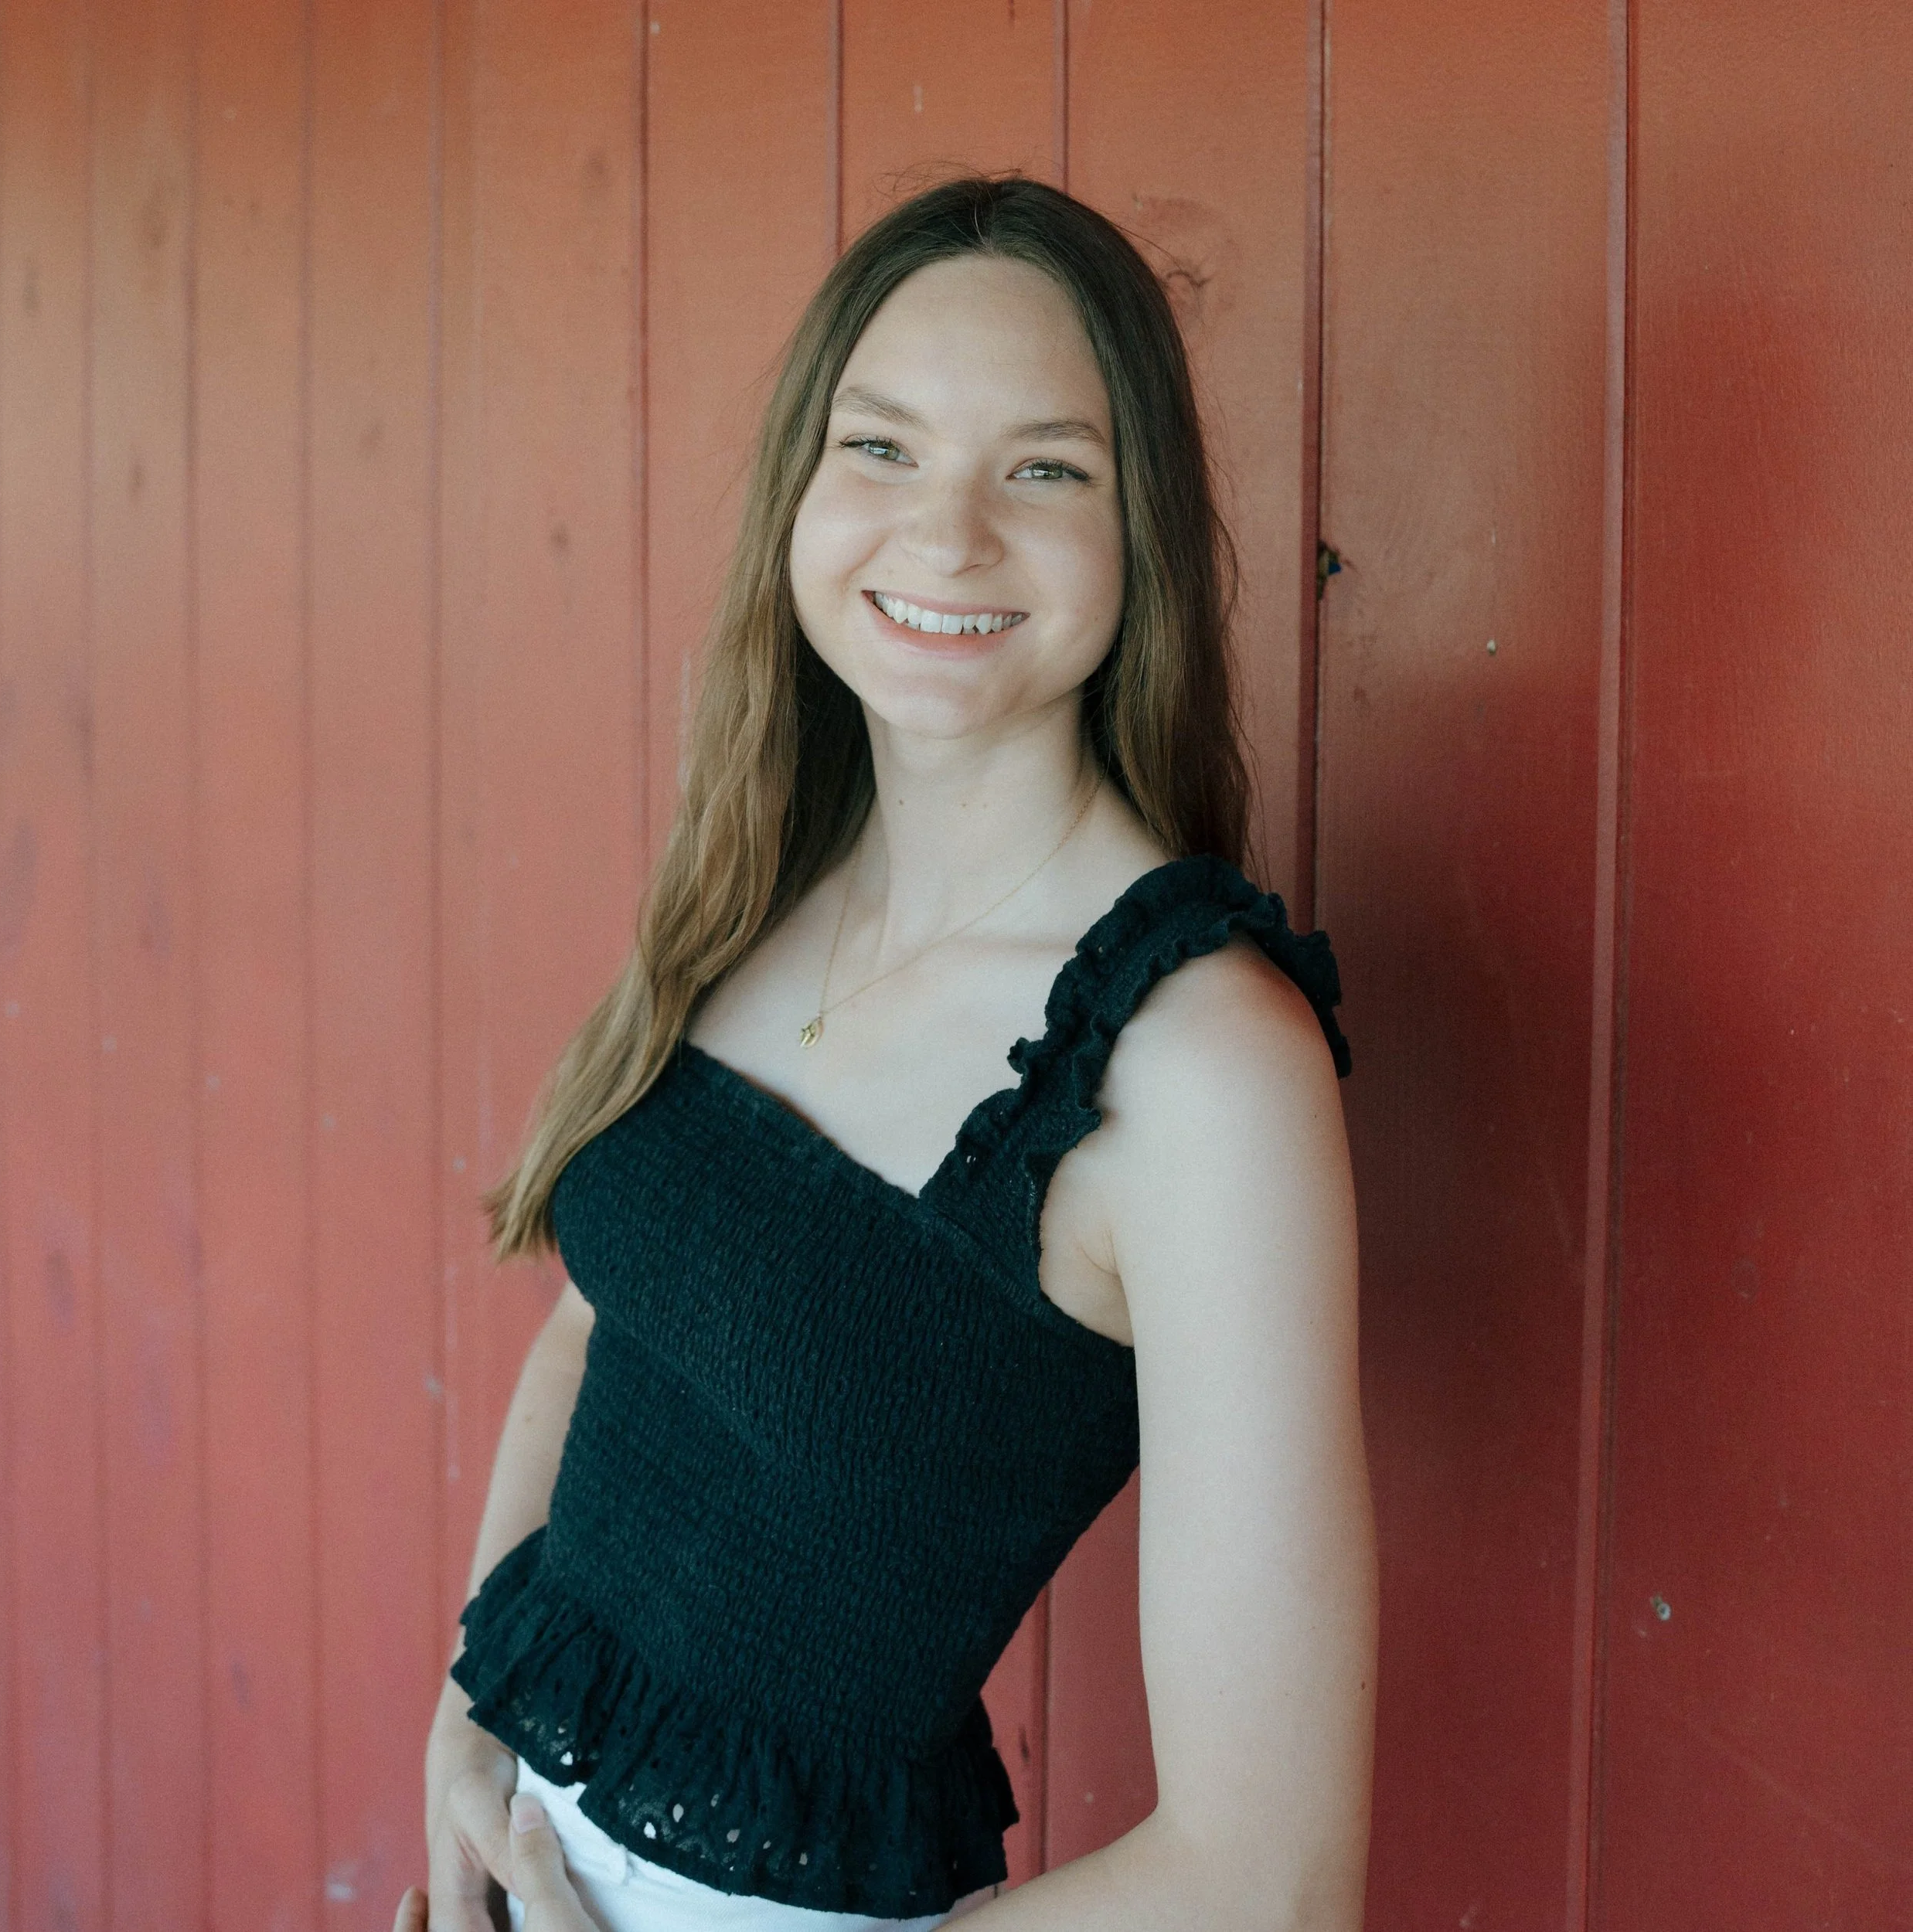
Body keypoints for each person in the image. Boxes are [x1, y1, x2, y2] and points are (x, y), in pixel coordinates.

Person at [397, 172, 1375, 1932]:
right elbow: (601, 1327)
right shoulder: (761, 879)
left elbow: (1269, 1876)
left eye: (1045, 469)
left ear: (1142, 530)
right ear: (802, 483)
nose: (946, 534)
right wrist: (472, 1721)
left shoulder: (1195, 1067)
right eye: (882, 448)